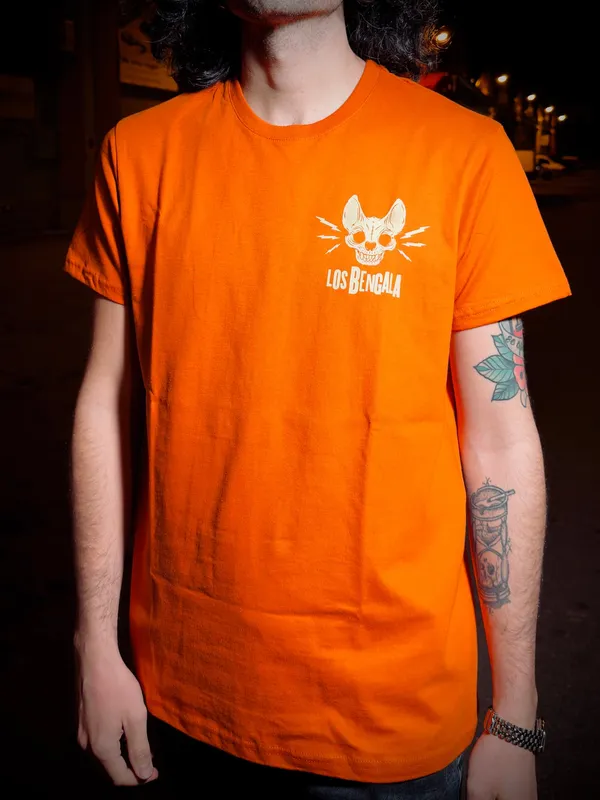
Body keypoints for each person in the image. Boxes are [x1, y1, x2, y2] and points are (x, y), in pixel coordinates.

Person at [66, 1, 570, 798]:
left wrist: (513, 715)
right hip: (177, 703)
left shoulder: (464, 151)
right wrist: (95, 644)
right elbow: (102, 402)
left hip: (392, 723)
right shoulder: (138, 153)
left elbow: (502, 441)